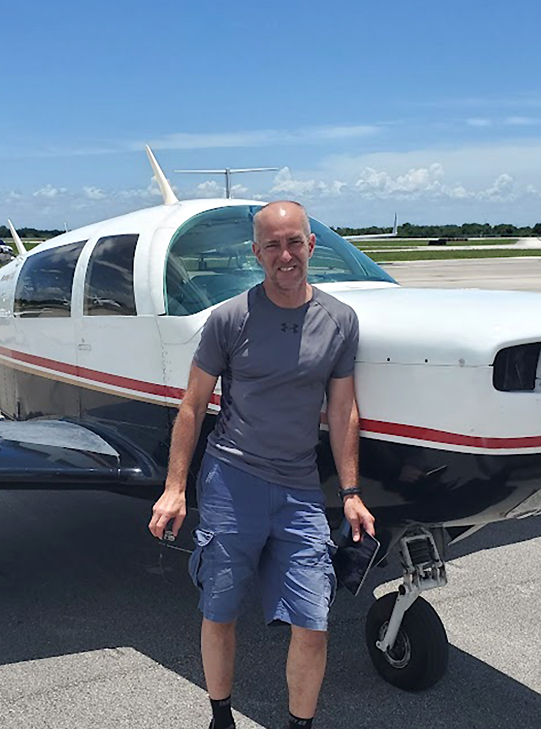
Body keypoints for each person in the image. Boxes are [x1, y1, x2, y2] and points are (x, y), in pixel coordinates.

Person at [149, 200, 375, 729]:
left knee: (313, 619)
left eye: (294, 241)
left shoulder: (341, 321)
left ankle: (300, 724)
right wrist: (175, 487)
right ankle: (220, 716)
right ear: (257, 254)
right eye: (272, 245)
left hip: (298, 487)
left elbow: (343, 410)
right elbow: (192, 405)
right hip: (233, 480)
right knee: (220, 610)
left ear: (311, 245)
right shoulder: (229, 318)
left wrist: (350, 492)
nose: (285, 254)